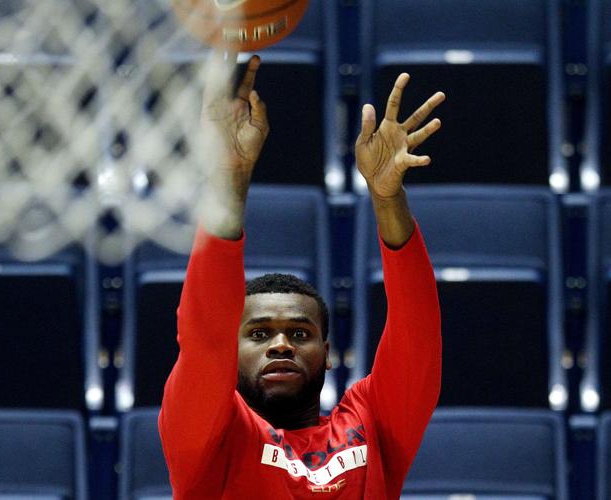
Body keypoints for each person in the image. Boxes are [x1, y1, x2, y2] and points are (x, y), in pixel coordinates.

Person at [158, 52, 444, 499]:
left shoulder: (371, 421)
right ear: (229, 356)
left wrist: (388, 198)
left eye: (299, 332)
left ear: (327, 353)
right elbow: (206, 330)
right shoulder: (209, 437)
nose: (281, 344)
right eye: (258, 333)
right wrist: (229, 178)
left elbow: (417, 333)